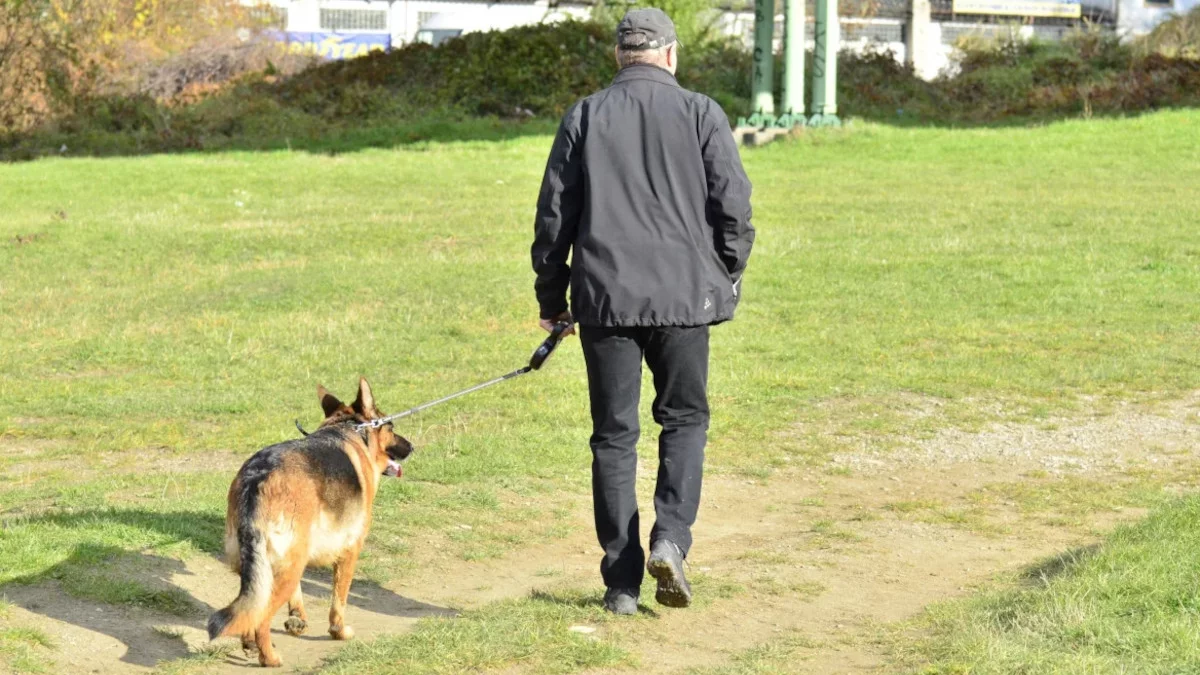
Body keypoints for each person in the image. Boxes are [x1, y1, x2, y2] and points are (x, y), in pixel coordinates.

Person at [530, 7, 754, 615]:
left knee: (614, 436)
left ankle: (621, 583)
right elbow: (734, 207)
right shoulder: (702, 112)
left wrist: (553, 298)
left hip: (605, 300)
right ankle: (670, 539)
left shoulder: (585, 115)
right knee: (684, 420)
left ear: (619, 56)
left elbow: (555, 215)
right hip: (684, 300)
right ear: (671, 55)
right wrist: (724, 275)